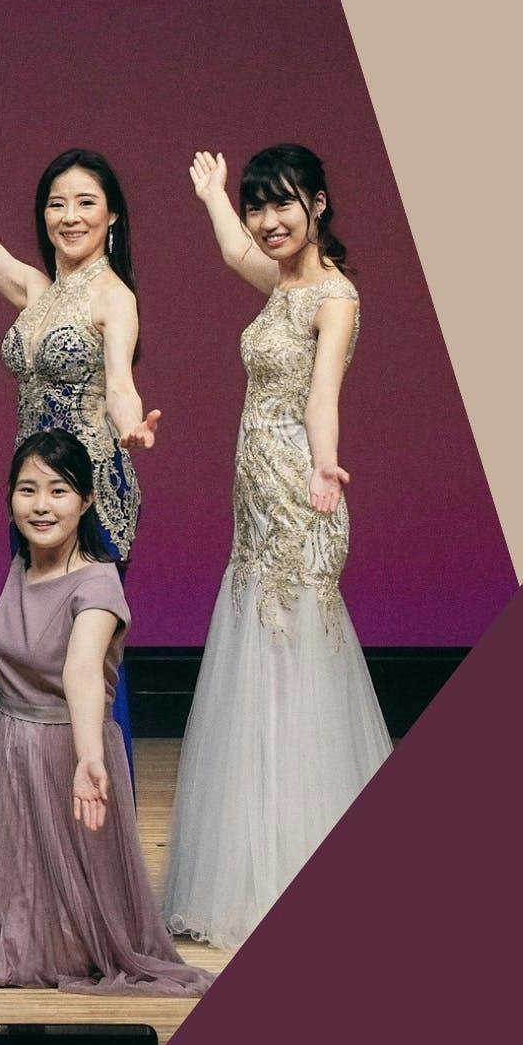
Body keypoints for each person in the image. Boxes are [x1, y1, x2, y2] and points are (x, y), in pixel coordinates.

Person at [160, 146, 393, 950]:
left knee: (294, 676)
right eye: (259, 206)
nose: (267, 221)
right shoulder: (280, 281)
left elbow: (323, 394)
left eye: (281, 204)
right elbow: (236, 250)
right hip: (256, 506)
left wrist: (326, 464)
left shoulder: (335, 296)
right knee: (260, 671)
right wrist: (214, 196)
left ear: (318, 203)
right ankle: (260, 860)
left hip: (300, 496)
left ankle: (298, 869)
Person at [0, 50, 160, 771]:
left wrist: (131, 423)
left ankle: (103, 805)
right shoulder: (35, 290)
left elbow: (120, 381)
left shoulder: (114, 296)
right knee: (35, 652)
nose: (69, 215)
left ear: (111, 216)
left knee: (89, 657)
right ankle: (47, 799)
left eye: (85, 202)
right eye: (56, 202)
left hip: (90, 495)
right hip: (33, 493)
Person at [0, 431, 211, 996]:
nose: (41, 505)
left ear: (86, 500)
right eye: (27, 490)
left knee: (79, 907)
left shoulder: (97, 582)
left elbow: (82, 670)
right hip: (11, 741)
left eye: (58, 490)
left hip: (68, 745)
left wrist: (89, 758)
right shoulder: (21, 567)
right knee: (20, 883)